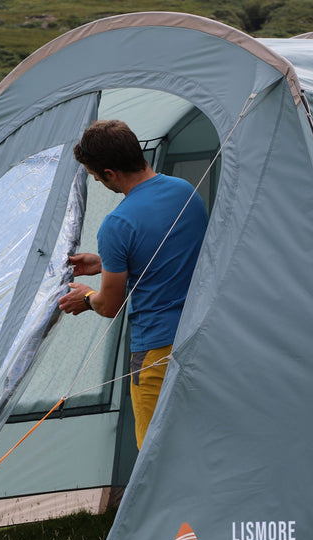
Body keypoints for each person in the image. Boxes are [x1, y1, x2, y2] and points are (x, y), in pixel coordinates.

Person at [57, 119, 209, 449]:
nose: (96, 181)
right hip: (202, 338)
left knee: (157, 455)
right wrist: (104, 263)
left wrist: (86, 298)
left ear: (110, 173)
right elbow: (170, 252)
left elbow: (109, 306)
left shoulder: (117, 223)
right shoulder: (185, 191)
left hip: (156, 350)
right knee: (199, 442)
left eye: (95, 176)